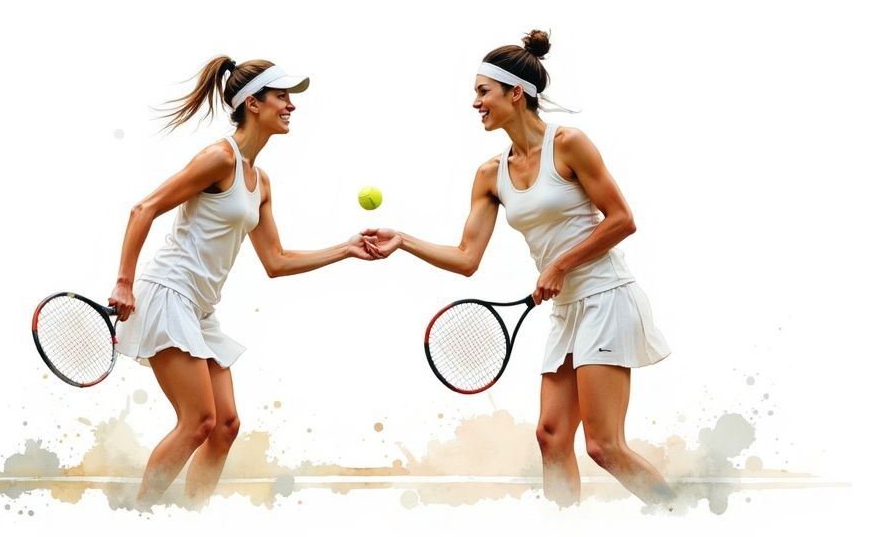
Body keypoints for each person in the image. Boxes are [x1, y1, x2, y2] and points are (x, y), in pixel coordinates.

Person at [364, 31, 674, 507]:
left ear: (515, 93)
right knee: (551, 437)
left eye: (483, 92)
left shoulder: (568, 144)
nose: (475, 103)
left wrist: (561, 265)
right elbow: (466, 258)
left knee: (603, 446)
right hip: (567, 310)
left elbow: (622, 220)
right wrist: (403, 241)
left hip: (607, 298)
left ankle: (684, 516)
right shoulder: (490, 174)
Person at [108, 56, 378, 508]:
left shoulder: (261, 182)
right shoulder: (218, 158)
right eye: (282, 97)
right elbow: (144, 209)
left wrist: (346, 249)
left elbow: (277, 260)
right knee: (198, 422)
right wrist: (124, 283)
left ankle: (192, 518)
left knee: (225, 426)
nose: (291, 106)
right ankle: (140, 517)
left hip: (199, 310)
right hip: (168, 294)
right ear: (253, 103)